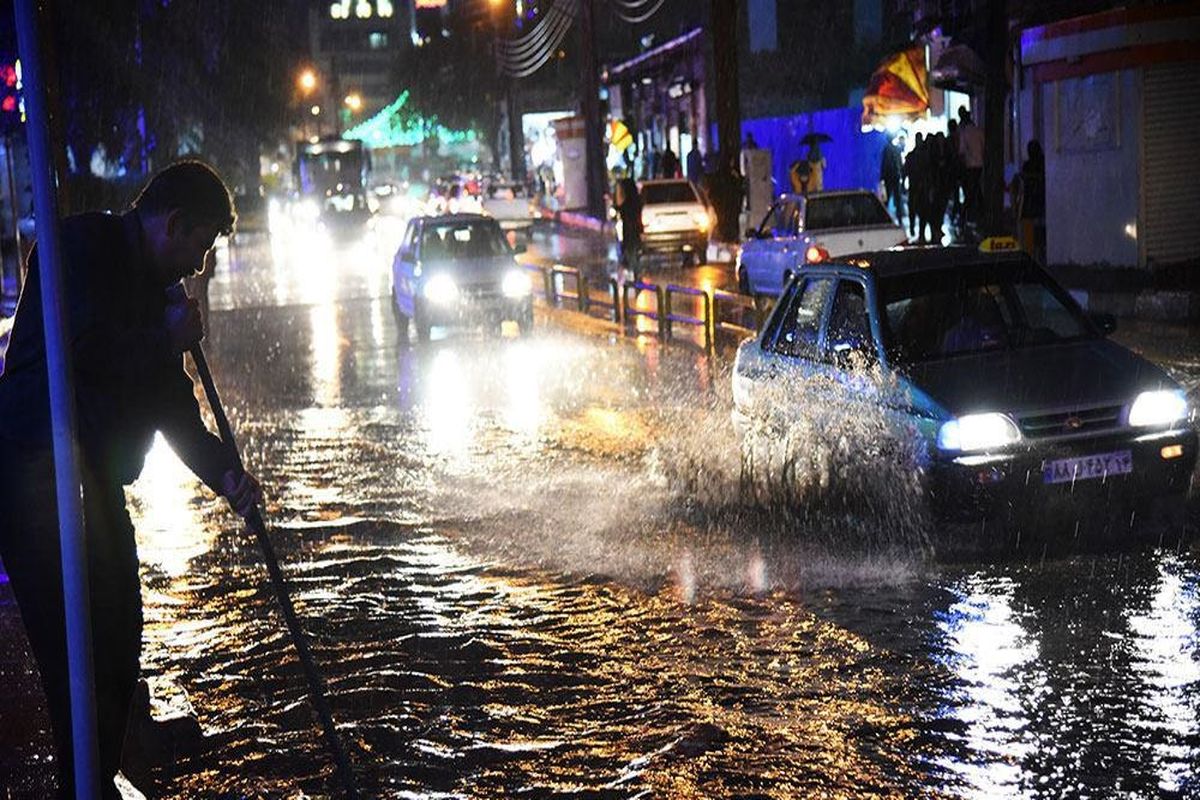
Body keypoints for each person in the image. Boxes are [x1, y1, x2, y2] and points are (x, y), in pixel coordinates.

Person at [0, 160, 262, 799]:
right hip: (37, 476)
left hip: (96, 483)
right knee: (76, 659)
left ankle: (91, 777)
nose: (196, 268)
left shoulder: (151, 287)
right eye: (197, 248)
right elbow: (83, 361)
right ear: (171, 224)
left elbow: (168, 401)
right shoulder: (80, 250)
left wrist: (226, 476)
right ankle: (84, 785)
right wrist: (162, 337)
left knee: (118, 643)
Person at [957, 108, 985, 228]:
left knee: (970, 193)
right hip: (979, 165)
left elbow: (962, 152)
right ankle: (980, 214)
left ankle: (964, 217)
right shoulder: (978, 131)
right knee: (976, 191)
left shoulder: (964, 133)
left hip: (970, 166)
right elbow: (984, 147)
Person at [614, 175, 643, 279]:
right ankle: (636, 276)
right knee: (633, 256)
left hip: (630, 233)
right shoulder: (637, 201)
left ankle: (635, 277)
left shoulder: (627, 204)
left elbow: (618, 207)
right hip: (634, 233)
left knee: (631, 256)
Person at [879, 135, 905, 226]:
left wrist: (881, 176)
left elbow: (884, 164)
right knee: (898, 199)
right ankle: (900, 218)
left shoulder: (886, 150)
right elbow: (900, 164)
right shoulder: (896, 149)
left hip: (888, 177)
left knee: (888, 197)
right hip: (895, 176)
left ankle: (884, 218)